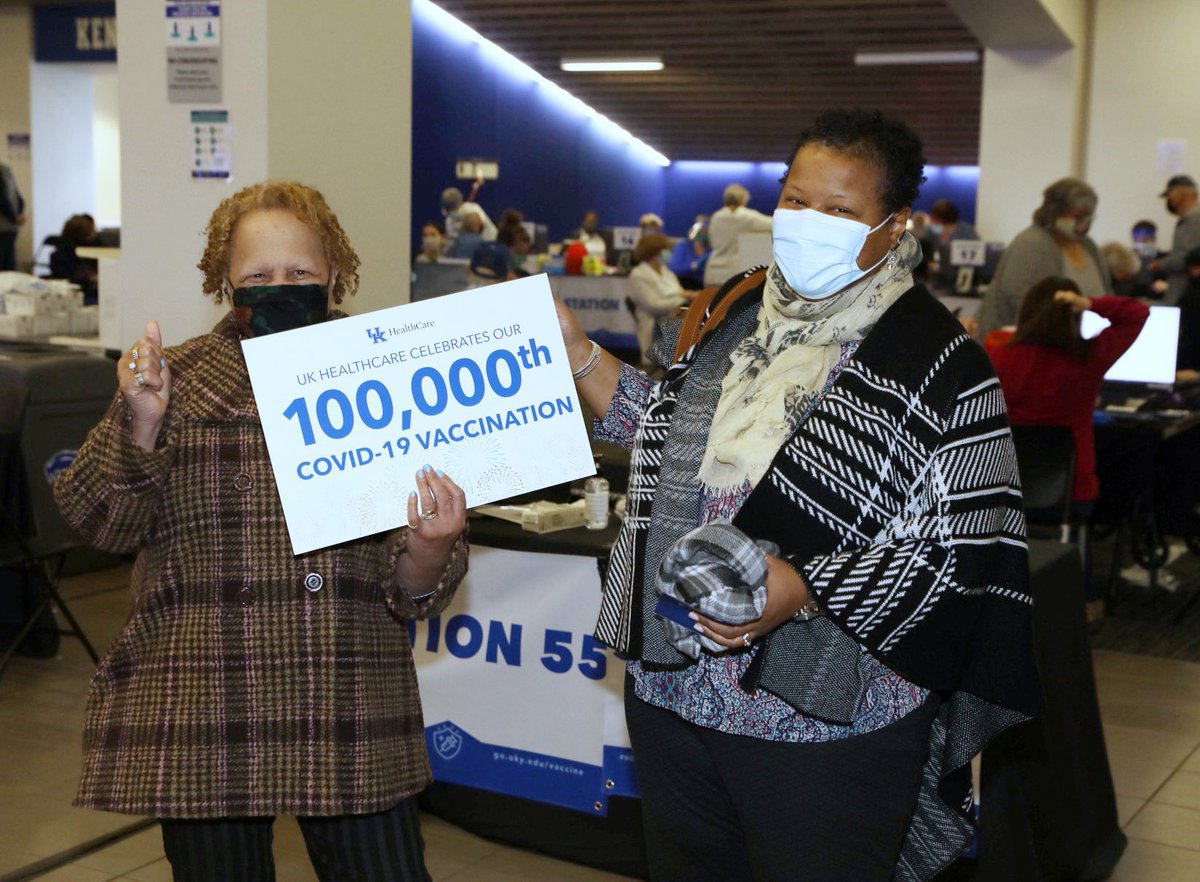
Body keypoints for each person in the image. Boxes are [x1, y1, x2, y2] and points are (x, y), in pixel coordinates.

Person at [558, 109, 1036, 881]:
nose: (811, 223)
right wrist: (581, 357)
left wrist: (808, 586)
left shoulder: (937, 361)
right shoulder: (731, 317)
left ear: (893, 226)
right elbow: (672, 438)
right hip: (674, 692)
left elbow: (957, 548)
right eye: (798, 200)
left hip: (825, 721)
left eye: (841, 211)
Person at [53, 181, 469, 881]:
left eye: (301, 273)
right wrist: (142, 421)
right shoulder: (170, 380)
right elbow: (100, 523)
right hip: (204, 702)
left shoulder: (390, 379)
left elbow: (412, 590)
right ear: (224, 282)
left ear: (336, 273)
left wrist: (432, 547)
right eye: (258, 276)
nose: (282, 287)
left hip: (348, 695)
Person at [990, 276, 1148, 622]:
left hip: (1005, 487)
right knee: (1076, 529)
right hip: (1070, 492)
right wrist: (1091, 303)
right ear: (1073, 314)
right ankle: (1081, 602)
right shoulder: (1087, 359)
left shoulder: (997, 356)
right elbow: (1137, 313)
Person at [977, 177, 1113, 336]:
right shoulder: (1031, 244)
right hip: (1037, 343)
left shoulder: (1088, 245)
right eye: (1079, 216)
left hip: (1082, 340)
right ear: (1056, 212)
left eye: (1089, 217)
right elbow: (1020, 300)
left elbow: (1107, 292)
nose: (1084, 223)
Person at [627, 233, 693, 357]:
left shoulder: (666, 272)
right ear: (654, 253)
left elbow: (679, 292)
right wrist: (683, 297)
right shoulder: (638, 275)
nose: (668, 253)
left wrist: (684, 296)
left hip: (675, 320)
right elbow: (653, 306)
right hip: (654, 326)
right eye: (665, 250)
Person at [702, 183, 772, 286]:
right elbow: (774, 224)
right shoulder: (747, 216)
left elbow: (711, 241)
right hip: (733, 275)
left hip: (712, 272)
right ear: (743, 199)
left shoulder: (716, 217)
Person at [1150, 174, 1200, 305]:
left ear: (1180, 193)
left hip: (1186, 294)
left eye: (1169, 195)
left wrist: (1160, 264)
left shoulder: (1193, 220)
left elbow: (1186, 257)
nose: (1169, 200)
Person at [927, 198, 980, 292]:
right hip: (936, 286)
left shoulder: (967, 231)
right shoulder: (933, 231)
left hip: (961, 286)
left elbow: (975, 259)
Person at [48, 213, 100, 304]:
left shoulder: (95, 245)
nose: (93, 234)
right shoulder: (63, 254)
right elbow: (66, 278)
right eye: (90, 232)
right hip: (77, 293)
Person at [440, 185, 496, 252]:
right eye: (448, 209)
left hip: (489, 245)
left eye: (451, 209)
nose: (450, 212)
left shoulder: (474, 210)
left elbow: (480, 228)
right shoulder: (449, 220)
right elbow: (451, 240)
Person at [667, 214, 710, 289]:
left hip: (704, 286)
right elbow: (675, 269)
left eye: (706, 230)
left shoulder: (710, 250)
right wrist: (694, 266)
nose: (703, 233)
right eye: (701, 229)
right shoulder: (683, 245)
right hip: (684, 284)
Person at [0, 160, 26, 271]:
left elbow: (18, 198)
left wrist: (18, 215)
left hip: (9, 226)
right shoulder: (6, 171)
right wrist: (15, 216)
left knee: (8, 265)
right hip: (5, 226)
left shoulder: (6, 170)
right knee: (7, 265)